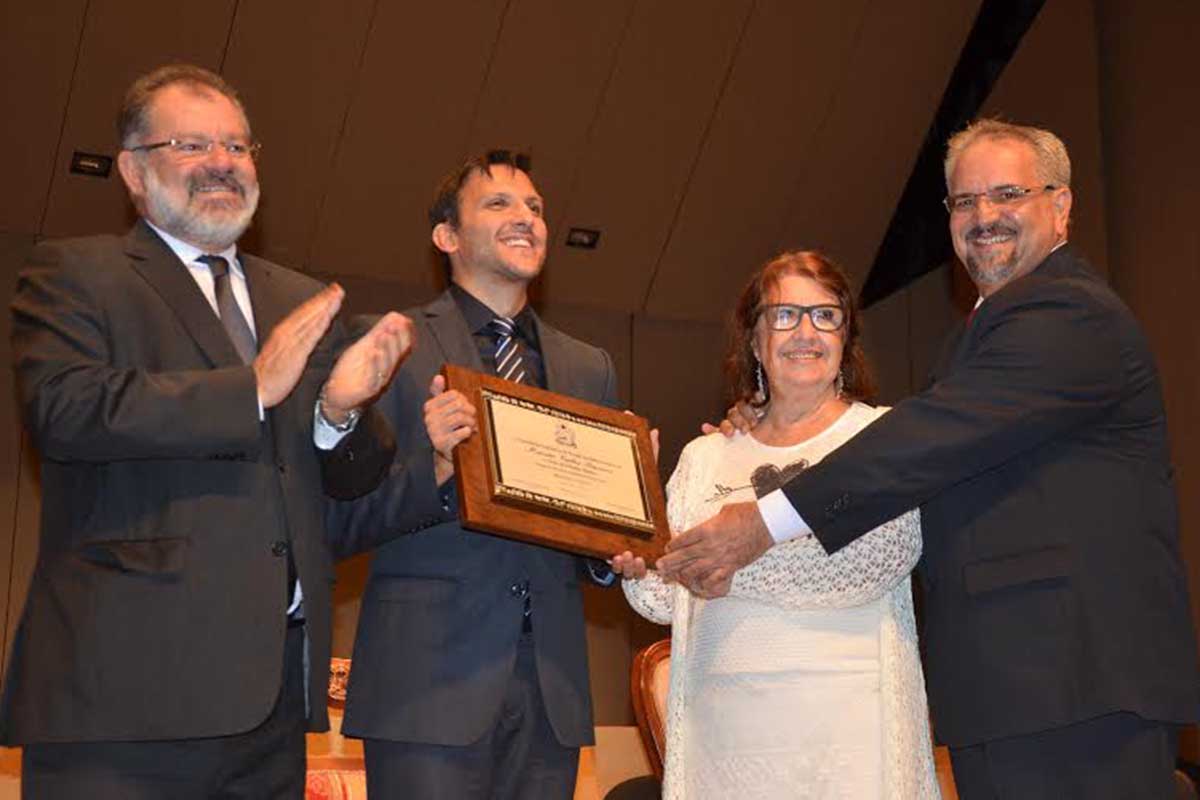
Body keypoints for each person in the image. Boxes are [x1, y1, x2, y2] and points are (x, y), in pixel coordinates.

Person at [658, 120, 1200, 798]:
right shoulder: (979, 335)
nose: (985, 217)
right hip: (1019, 687)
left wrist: (762, 521)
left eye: (1008, 194)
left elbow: (926, 441)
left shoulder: (1067, 313)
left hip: (1074, 682)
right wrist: (759, 433)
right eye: (965, 202)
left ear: (1061, 206)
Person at [3, 64, 413, 798]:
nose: (223, 163)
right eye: (192, 145)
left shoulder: (299, 298)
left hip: (271, 706)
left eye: (238, 146)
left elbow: (349, 489)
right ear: (133, 169)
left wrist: (338, 414)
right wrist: (249, 390)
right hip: (124, 697)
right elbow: (64, 411)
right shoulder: (76, 273)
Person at [327, 151, 620, 799]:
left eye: (536, 208)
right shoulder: (388, 345)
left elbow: (580, 533)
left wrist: (615, 544)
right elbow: (335, 521)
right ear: (447, 236)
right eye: (500, 204)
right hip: (425, 685)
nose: (527, 218)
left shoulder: (587, 367)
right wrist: (432, 469)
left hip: (551, 691)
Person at [614, 251, 938, 799]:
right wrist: (631, 546)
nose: (805, 332)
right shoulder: (705, 455)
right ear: (755, 339)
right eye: (784, 315)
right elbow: (664, 599)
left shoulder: (884, 435)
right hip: (725, 745)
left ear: (846, 335)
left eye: (825, 315)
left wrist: (725, 563)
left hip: (850, 743)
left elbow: (879, 557)